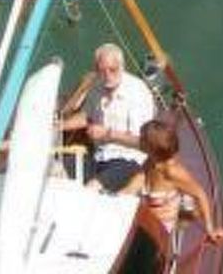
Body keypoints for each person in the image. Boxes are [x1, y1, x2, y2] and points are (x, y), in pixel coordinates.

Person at [117, 118, 223, 251]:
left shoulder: (172, 172)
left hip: (159, 229)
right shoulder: (151, 161)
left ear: (152, 147)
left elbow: (200, 194)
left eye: (142, 139)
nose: (138, 140)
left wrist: (210, 229)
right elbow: (134, 184)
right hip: (143, 218)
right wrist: (115, 198)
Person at [59, 43, 157, 191]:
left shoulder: (138, 94)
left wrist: (107, 134)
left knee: (90, 190)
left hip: (128, 161)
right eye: (102, 71)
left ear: (122, 66)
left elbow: (143, 143)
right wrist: (59, 126)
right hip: (98, 156)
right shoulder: (97, 85)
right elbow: (88, 116)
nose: (107, 76)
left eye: (113, 70)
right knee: (56, 169)